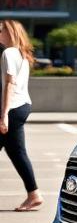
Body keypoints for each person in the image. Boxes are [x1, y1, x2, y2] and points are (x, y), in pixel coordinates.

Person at [0, 19, 41, 212]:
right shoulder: (22, 54)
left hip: (13, 108)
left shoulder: (8, 53)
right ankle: (34, 195)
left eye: (1, 30)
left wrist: (4, 114)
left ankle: (34, 194)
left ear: (10, 33)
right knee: (17, 152)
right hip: (24, 105)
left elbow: (10, 84)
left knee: (17, 152)